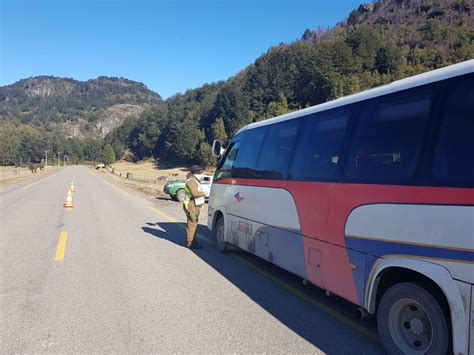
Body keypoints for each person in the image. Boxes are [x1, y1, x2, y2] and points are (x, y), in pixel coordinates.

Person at [183, 165, 205, 249]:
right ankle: (190, 243)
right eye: (199, 173)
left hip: (194, 204)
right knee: (192, 224)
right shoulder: (191, 181)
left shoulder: (194, 180)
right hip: (191, 205)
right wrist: (205, 193)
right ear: (194, 174)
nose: (201, 175)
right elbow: (195, 193)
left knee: (193, 223)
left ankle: (192, 241)